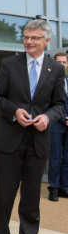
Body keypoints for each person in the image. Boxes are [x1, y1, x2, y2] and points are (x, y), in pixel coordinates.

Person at [0, 20, 65, 234]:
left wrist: (48, 117)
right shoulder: (9, 64)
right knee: (5, 195)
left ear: (46, 41)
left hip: (39, 141)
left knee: (32, 196)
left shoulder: (56, 69)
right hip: (10, 139)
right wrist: (15, 112)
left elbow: (60, 105)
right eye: (25, 36)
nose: (28, 41)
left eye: (34, 37)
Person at [48, 52, 68, 201]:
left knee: (67, 157)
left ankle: (64, 188)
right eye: (59, 62)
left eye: (64, 62)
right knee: (55, 157)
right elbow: (49, 105)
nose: (62, 64)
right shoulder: (49, 82)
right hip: (56, 124)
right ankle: (53, 189)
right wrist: (63, 118)